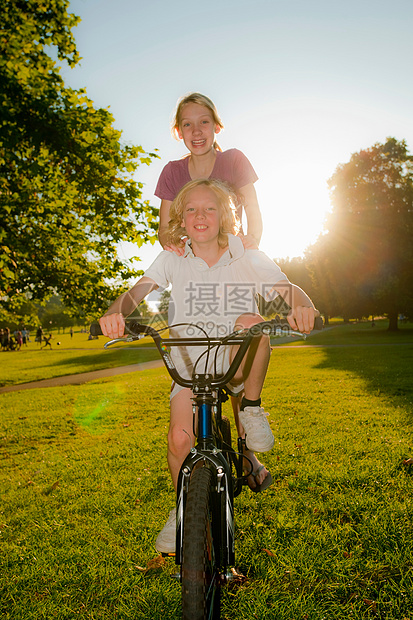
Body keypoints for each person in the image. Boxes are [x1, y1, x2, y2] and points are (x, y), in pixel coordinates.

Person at [99, 179, 318, 554]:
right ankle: (184, 508)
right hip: (190, 361)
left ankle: (249, 409)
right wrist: (114, 311)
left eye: (210, 208)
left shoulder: (247, 256)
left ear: (226, 215)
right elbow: (139, 290)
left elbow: (286, 289)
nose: (201, 216)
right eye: (192, 210)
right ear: (181, 219)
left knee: (253, 322)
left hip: (237, 357)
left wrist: (303, 305)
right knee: (179, 439)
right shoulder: (172, 258)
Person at [155, 92, 263, 255]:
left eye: (204, 122)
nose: (196, 131)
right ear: (179, 132)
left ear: (216, 126)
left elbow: (253, 211)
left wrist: (251, 241)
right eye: (187, 124)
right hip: (193, 261)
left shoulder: (233, 160)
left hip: (232, 257)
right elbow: (164, 228)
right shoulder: (172, 172)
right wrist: (174, 245)